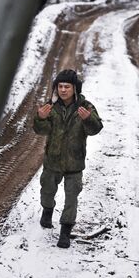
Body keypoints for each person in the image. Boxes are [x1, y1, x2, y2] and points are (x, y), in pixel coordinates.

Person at [33, 69, 103, 248]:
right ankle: (47, 211)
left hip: (75, 162)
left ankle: (65, 231)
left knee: (72, 198)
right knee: (47, 191)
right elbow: (42, 130)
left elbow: (95, 129)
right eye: (60, 86)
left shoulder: (85, 107)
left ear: (75, 89)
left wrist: (88, 120)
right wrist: (40, 119)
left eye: (67, 86)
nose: (63, 90)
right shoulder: (51, 107)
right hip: (53, 161)